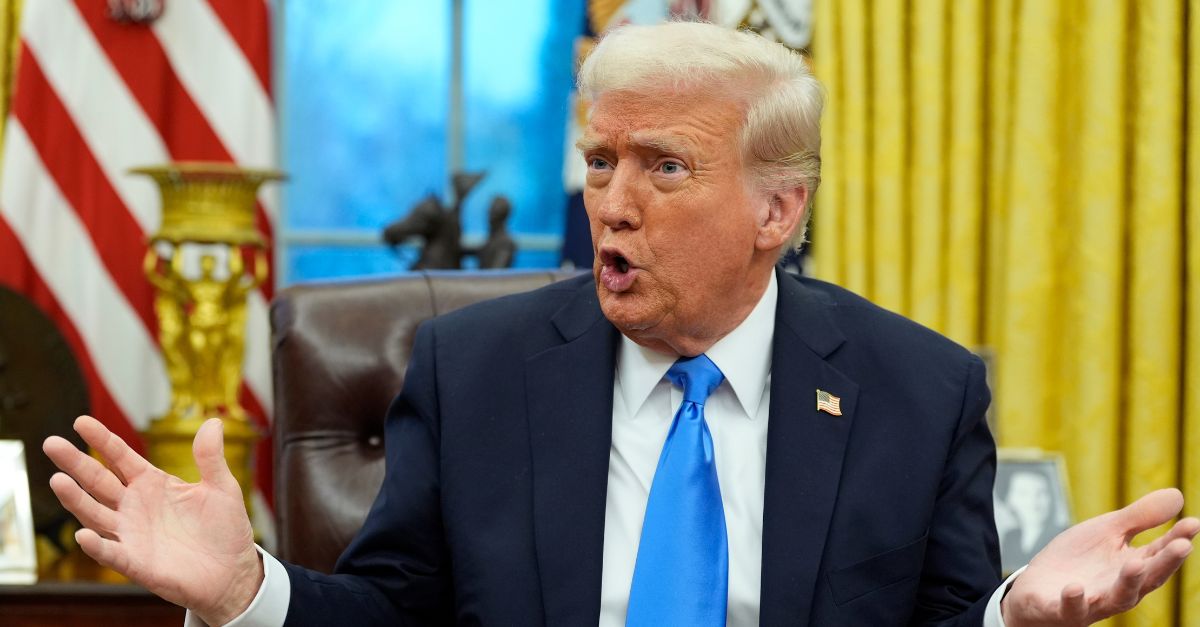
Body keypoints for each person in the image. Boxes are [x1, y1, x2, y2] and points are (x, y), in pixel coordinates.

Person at [42, 21, 1197, 627]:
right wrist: (248, 590)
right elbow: (397, 613)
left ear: (776, 210)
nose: (614, 201)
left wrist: (1014, 619)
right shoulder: (475, 370)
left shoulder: (918, 389)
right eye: (600, 160)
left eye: (665, 166)